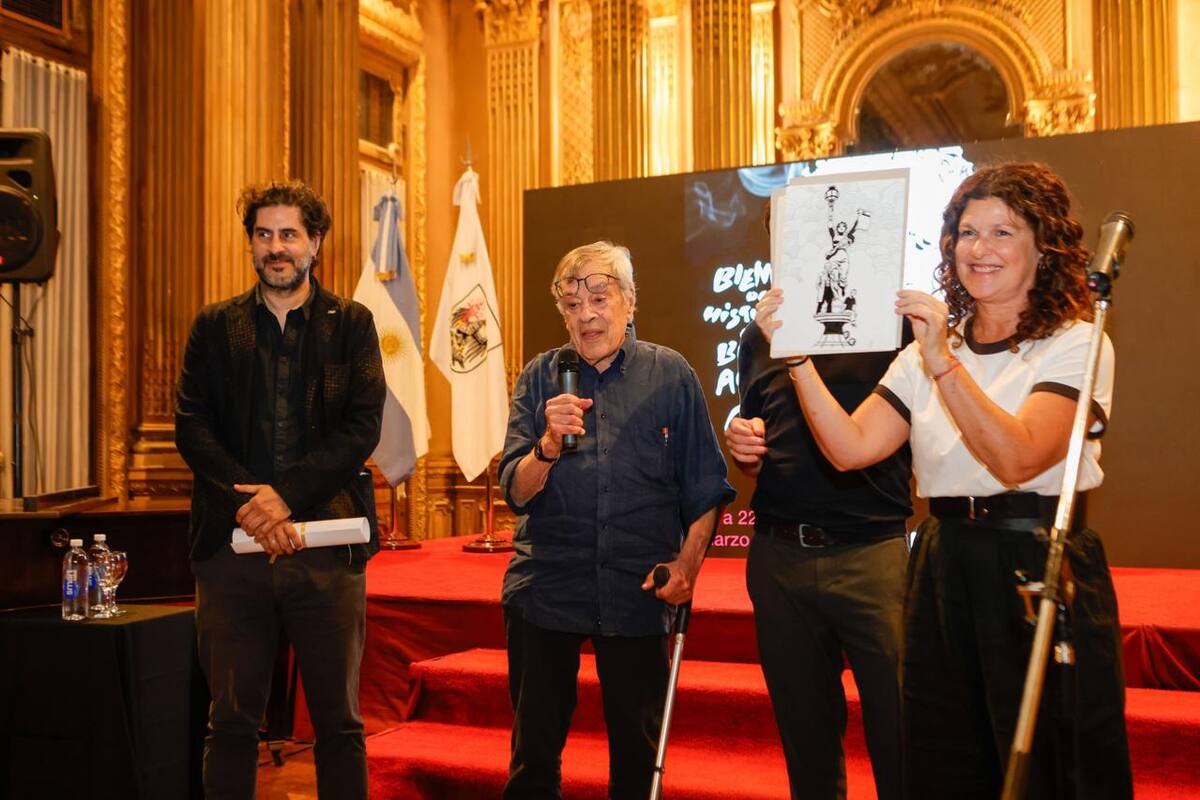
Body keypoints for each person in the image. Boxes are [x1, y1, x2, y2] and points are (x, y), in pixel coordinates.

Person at [757, 162, 1131, 798]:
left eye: (1003, 232)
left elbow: (1017, 459)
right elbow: (851, 448)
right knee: (942, 753)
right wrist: (796, 358)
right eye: (965, 232)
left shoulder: (1075, 342)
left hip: (1034, 561)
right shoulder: (926, 350)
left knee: (1048, 756)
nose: (979, 249)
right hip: (941, 559)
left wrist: (945, 365)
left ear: (1045, 249)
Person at [498, 241, 736, 799]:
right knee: (532, 757)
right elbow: (514, 489)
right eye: (572, 304)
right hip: (547, 586)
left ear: (629, 300)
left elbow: (706, 486)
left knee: (636, 757)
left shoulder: (670, 374)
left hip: (637, 587)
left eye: (599, 298)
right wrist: (548, 445)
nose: (586, 316)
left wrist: (687, 568)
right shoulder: (540, 377)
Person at [176, 180, 385, 799]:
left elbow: (361, 428)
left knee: (339, 725)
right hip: (229, 549)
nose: (276, 247)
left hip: (328, 546)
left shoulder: (352, 324)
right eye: (263, 235)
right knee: (231, 722)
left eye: (289, 234)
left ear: (316, 243)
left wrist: (282, 498)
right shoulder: (214, 327)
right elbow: (192, 426)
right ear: (251, 246)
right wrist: (253, 508)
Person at [726, 207, 911, 800]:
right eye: (785, 235)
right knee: (806, 742)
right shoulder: (758, 335)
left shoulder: (894, 325)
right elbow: (758, 430)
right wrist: (743, 447)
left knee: (902, 732)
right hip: (779, 556)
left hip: (872, 555)